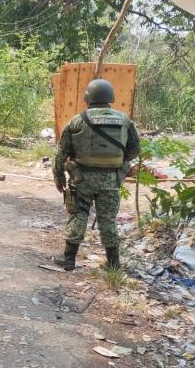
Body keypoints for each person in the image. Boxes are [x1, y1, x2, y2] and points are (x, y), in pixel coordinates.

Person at [52, 78, 140, 271]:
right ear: (110, 97)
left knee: (78, 215)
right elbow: (134, 149)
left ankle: (69, 260)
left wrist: (59, 178)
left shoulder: (78, 120)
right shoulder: (124, 120)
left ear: (88, 98)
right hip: (111, 180)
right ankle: (113, 264)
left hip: (81, 179)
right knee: (108, 219)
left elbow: (59, 154)